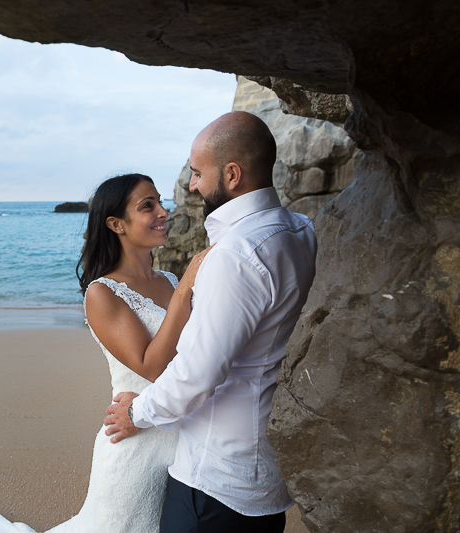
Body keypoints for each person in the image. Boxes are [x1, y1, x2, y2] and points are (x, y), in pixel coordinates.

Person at [0, 173, 210, 533]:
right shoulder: (103, 294)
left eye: (161, 201)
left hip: (182, 435)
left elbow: (198, 352)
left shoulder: (170, 281)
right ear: (116, 224)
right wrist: (185, 294)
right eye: (148, 206)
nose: (164, 212)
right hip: (135, 443)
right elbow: (151, 366)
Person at [104, 111, 318, 533]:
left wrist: (136, 413)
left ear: (233, 174)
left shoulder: (235, 255)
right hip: (265, 464)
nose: (191, 185)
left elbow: (197, 374)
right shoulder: (300, 230)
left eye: (199, 173)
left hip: (216, 475)